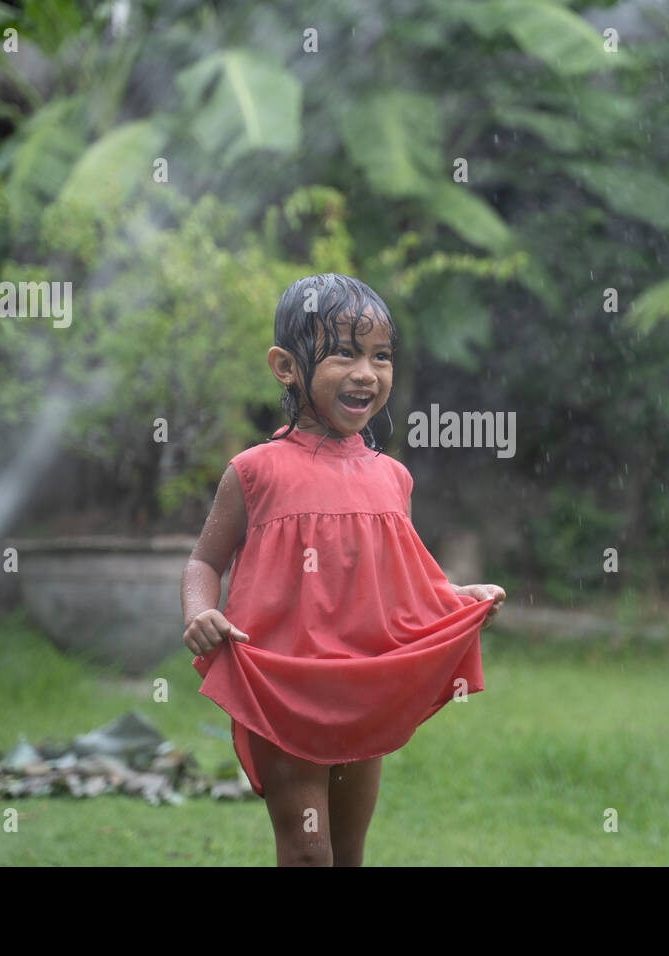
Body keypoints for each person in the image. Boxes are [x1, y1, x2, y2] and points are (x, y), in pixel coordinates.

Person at [181, 273, 506, 866]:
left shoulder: (392, 477)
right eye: (344, 353)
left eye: (381, 356)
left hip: (363, 686)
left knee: (349, 851)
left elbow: (406, 580)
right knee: (309, 852)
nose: (367, 372)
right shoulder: (255, 472)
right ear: (285, 366)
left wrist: (458, 599)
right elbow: (205, 559)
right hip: (284, 685)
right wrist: (200, 611)